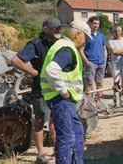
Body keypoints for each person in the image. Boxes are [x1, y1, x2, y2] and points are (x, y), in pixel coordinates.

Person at [40, 20, 91, 164]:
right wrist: (63, 91)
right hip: (62, 100)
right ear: (78, 34)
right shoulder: (67, 49)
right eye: (85, 37)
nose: (85, 41)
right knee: (67, 137)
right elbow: (52, 70)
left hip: (66, 101)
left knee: (77, 133)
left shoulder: (66, 47)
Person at [11, 18, 60, 163]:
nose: (58, 31)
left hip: (57, 87)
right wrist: (35, 73)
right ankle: (40, 153)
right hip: (41, 89)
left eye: (59, 28)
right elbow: (16, 60)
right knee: (40, 120)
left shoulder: (60, 42)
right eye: (55, 28)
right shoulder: (36, 44)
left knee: (55, 119)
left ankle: (59, 149)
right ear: (45, 29)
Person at [79, 16, 107, 100]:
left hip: (101, 63)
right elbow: (81, 50)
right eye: (94, 23)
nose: (96, 25)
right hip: (91, 63)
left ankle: (100, 103)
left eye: (98, 24)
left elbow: (104, 48)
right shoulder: (86, 36)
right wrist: (87, 62)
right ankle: (89, 105)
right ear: (90, 24)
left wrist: (104, 60)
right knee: (89, 84)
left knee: (100, 83)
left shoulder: (101, 36)